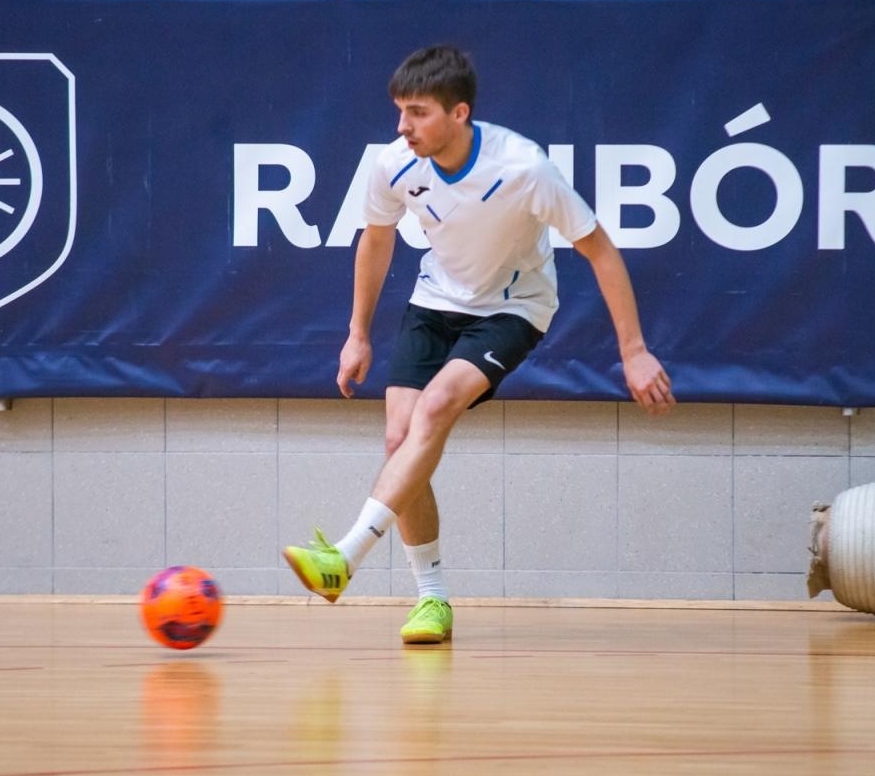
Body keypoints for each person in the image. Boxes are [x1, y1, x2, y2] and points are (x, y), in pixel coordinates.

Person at [282, 45, 675, 645]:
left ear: (459, 113)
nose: (403, 126)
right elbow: (376, 240)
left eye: (418, 112)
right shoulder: (394, 163)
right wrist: (357, 334)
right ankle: (432, 598)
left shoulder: (524, 168)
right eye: (400, 110)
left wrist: (634, 351)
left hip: (513, 308)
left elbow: (599, 249)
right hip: (435, 300)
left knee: (436, 407)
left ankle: (346, 556)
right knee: (398, 438)